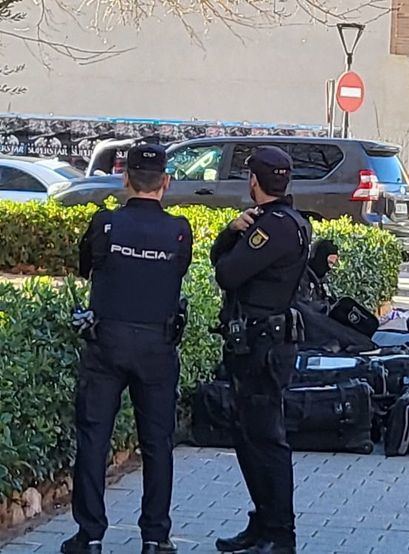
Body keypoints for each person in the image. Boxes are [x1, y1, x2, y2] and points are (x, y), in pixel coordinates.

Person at [63, 144, 193, 554]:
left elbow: (86, 266)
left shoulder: (105, 225)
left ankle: (90, 535)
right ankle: (156, 536)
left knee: (94, 438)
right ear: (166, 183)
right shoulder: (178, 229)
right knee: (157, 443)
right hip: (158, 345)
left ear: (125, 180)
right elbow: (180, 267)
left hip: (107, 343)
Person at [211, 146, 309, 554]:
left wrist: (232, 234)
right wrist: (233, 232)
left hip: (262, 345)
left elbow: (227, 272)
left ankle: (279, 534)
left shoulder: (274, 226)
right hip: (257, 341)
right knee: (249, 436)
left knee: (266, 439)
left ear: (254, 181)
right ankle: (263, 522)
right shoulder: (290, 220)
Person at [297, 238, 339, 313]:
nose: (330, 268)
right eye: (329, 262)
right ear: (320, 257)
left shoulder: (322, 281)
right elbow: (303, 305)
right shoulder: (301, 277)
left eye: (332, 264)